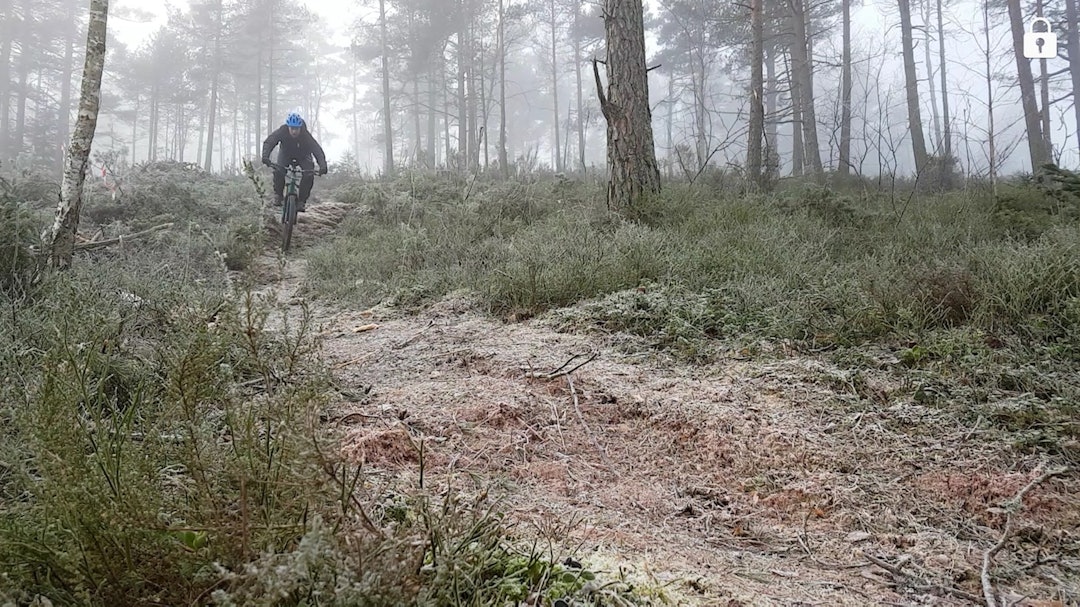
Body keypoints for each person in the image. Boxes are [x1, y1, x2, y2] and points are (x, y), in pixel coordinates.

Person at [261, 111, 328, 212]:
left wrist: (323, 165)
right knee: (279, 170)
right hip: (286, 154)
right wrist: (265, 156)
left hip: (303, 155)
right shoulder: (282, 131)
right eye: (292, 128)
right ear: (288, 127)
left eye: (296, 129)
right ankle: (278, 195)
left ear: (300, 128)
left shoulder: (305, 135)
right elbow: (270, 142)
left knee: (308, 174)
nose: (294, 131)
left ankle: (301, 201)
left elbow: (316, 149)